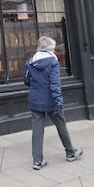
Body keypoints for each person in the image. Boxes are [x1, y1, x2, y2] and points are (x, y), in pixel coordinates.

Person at [24, 35, 83, 170]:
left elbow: (26, 81)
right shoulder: (53, 62)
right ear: (50, 48)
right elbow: (55, 84)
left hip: (35, 98)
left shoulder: (30, 61)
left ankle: (37, 161)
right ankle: (70, 152)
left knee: (37, 130)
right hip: (51, 99)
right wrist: (58, 100)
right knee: (61, 124)